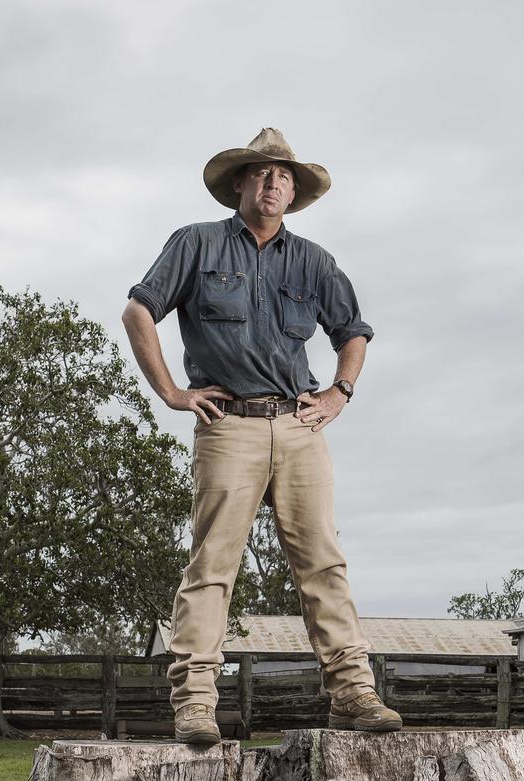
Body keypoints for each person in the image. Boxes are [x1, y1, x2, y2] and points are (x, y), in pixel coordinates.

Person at [122, 128, 403, 744]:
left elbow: (352, 330)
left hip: (299, 427)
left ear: (293, 192)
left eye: (285, 175)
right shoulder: (195, 244)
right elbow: (138, 310)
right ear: (240, 184)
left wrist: (339, 392)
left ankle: (353, 691)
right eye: (263, 172)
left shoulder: (314, 261)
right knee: (213, 565)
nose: (274, 182)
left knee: (322, 562)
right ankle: (196, 701)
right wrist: (172, 391)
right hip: (230, 428)